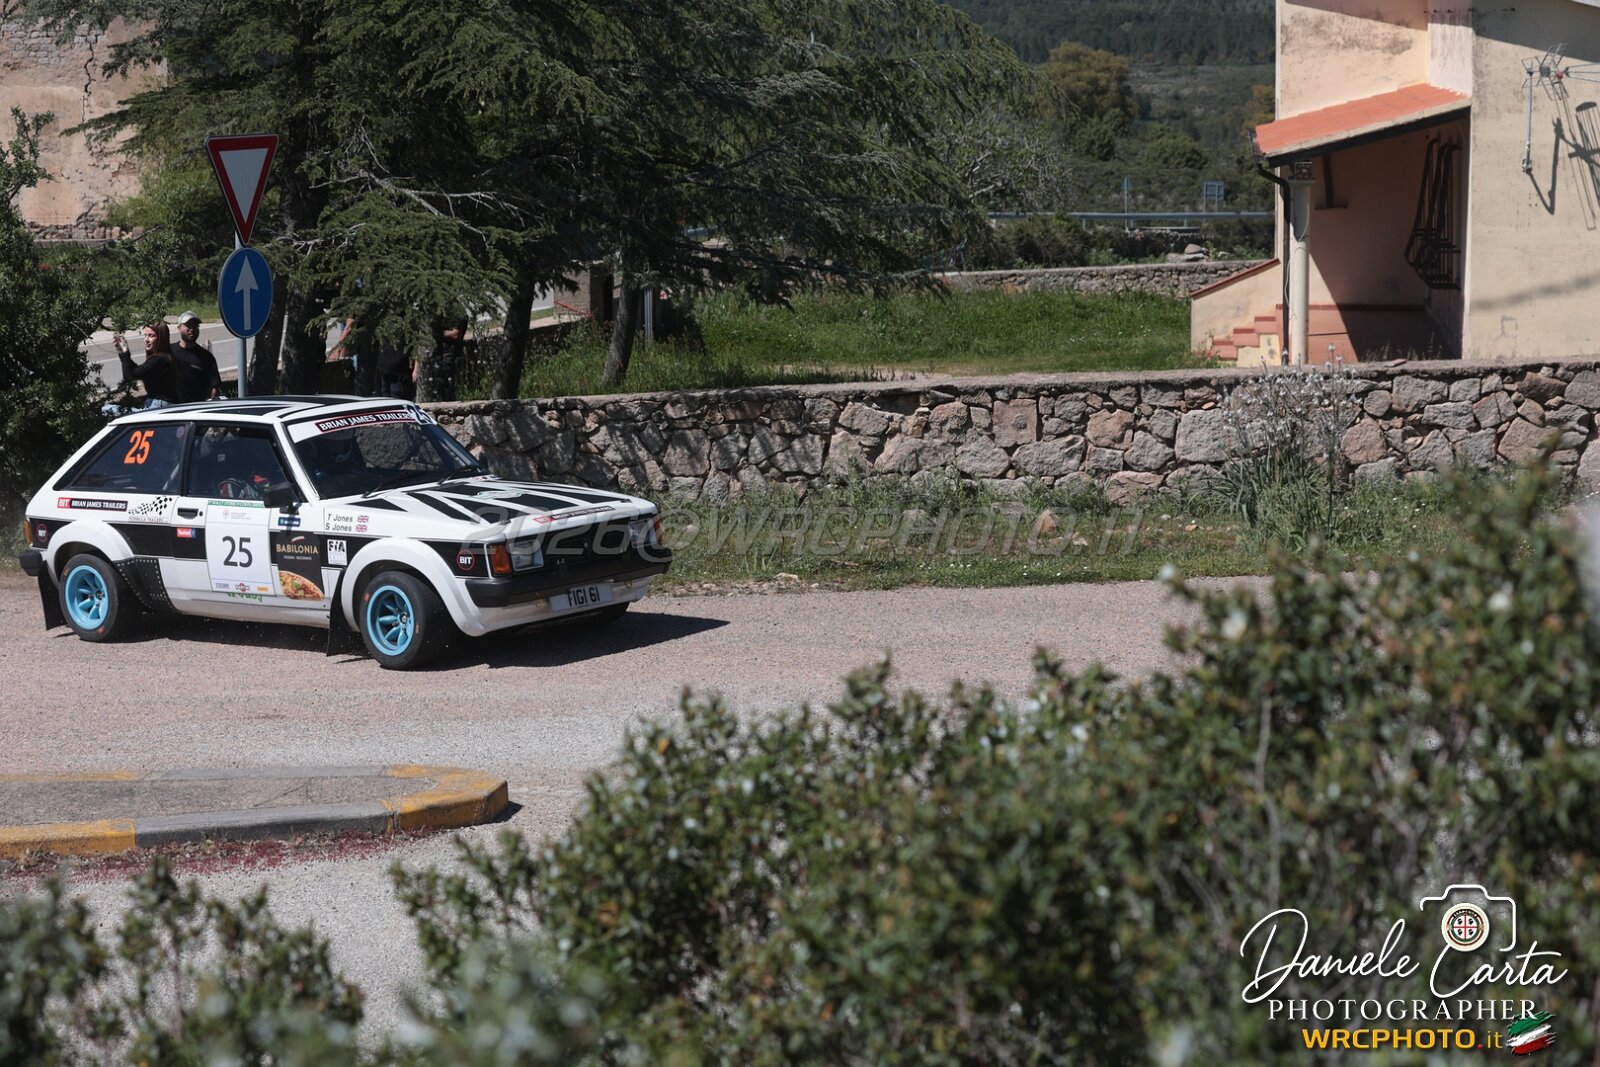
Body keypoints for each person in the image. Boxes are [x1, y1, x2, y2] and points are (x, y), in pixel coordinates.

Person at [111, 322, 179, 409]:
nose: (146, 340)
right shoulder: (164, 357)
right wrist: (121, 352)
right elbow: (137, 371)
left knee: (107, 409)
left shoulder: (158, 359)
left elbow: (129, 376)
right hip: (160, 404)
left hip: (158, 405)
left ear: (161, 338)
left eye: (151, 336)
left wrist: (125, 353)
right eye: (145, 335)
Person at [172, 310, 223, 403]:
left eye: (195, 326)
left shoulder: (206, 357)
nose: (192, 329)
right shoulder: (169, 351)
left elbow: (214, 387)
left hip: (196, 408)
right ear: (179, 328)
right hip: (171, 407)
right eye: (188, 325)